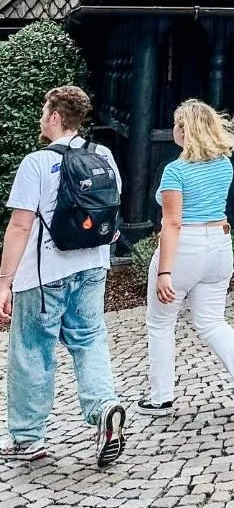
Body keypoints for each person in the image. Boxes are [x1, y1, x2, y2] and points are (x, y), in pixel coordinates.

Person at [0, 86, 126, 466]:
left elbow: (20, 226)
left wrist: (4, 280)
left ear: (55, 117)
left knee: (32, 352)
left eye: (44, 111)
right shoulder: (103, 155)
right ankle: (104, 408)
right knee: (89, 341)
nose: (42, 118)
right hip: (92, 267)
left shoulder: (36, 163)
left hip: (44, 274)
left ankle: (27, 439)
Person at [139, 100, 234, 424]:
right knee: (212, 321)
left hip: (185, 248)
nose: (173, 130)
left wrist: (165, 272)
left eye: (177, 124)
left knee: (161, 322)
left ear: (187, 130)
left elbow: (172, 223)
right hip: (220, 245)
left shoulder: (175, 172)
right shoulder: (224, 164)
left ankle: (160, 397)